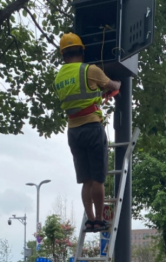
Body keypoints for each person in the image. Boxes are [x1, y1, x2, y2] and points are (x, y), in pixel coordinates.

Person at [54, 32, 122, 233]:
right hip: (92, 128)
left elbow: (79, 97)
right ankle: (100, 220)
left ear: (63, 55)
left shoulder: (58, 78)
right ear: (82, 51)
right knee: (98, 178)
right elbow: (113, 85)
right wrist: (116, 85)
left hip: (73, 131)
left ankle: (91, 220)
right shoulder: (90, 70)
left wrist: (97, 95)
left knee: (86, 180)